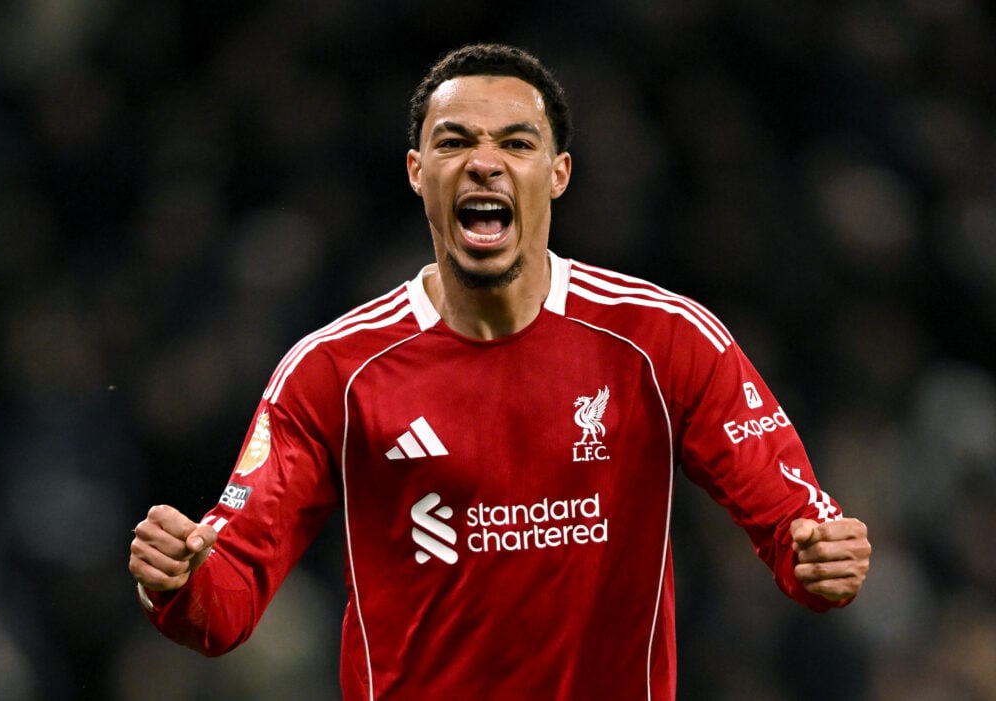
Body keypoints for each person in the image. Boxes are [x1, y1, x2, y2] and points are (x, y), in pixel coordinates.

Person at [129, 43, 871, 700]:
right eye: (454, 141)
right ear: (419, 174)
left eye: (516, 141)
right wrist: (179, 581)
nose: (484, 160)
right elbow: (223, 605)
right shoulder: (334, 372)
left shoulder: (663, 340)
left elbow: (796, 529)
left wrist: (820, 561)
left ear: (558, 173)